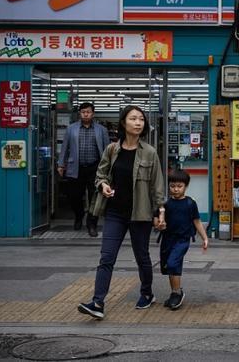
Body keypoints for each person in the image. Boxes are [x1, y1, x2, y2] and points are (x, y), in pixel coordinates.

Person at [78, 105, 165, 320]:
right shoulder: (112, 150)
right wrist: (103, 186)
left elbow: (157, 186)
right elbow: (101, 175)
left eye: (141, 119)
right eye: (133, 118)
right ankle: (98, 302)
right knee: (106, 257)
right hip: (115, 212)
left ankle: (147, 292)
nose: (138, 122)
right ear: (124, 123)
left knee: (142, 257)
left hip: (140, 214)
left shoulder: (150, 152)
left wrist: (160, 211)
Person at [154, 169, 208, 310]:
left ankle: (177, 293)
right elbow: (156, 220)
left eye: (179, 186)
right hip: (167, 239)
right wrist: (159, 224)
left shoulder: (190, 204)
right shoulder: (165, 204)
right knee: (168, 267)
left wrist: (205, 238)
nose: (176, 189)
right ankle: (174, 293)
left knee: (173, 263)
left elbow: (197, 221)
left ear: (186, 186)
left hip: (182, 239)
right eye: (172, 186)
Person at [57, 102, 110, 236]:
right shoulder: (71, 129)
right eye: (83, 112)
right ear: (79, 113)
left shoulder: (101, 130)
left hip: (95, 168)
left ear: (93, 113)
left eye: (88, 112)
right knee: (74, 196)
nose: (85, 114)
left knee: (94, 198)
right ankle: (79, 215)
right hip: (76, 167)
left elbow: (107, 149)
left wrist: (109, 167)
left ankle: (92, 224)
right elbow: (65, 148)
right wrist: (61, 164)